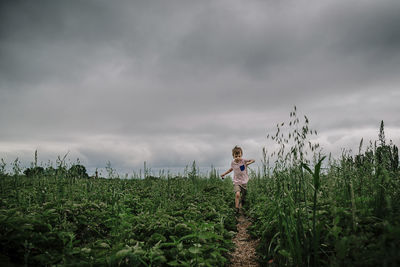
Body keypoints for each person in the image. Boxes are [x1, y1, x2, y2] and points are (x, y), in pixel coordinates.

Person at [221, 146, 255, 213]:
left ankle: (242, 204)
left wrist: (248, 163)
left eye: (239, 156)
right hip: (236, 181)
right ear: (233, 156)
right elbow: (231, 169)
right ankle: (236, 208)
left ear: (241, 155)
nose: (238, 158)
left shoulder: (243, 161)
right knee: (237, 194)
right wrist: (224, 174)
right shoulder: (233, 163)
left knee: (244, 195)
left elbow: (253, 160)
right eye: (236, 156)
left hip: (244, 181)